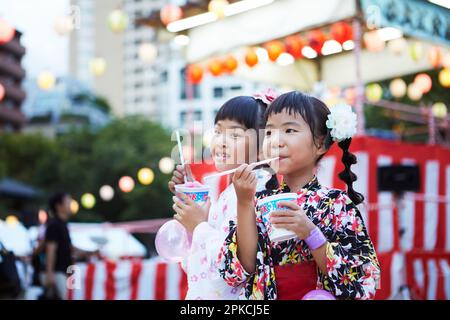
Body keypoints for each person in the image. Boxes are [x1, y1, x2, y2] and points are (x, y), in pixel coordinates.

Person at [218, 91, 381, 300]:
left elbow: (363, 279)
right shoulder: (258, 201)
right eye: (269, 132)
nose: (275, 141)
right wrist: (243, 202)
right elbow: (239, 270)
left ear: (320, 144)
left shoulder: (336, 204)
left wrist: (311, 234)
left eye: (289, 130)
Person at [169, 90, 278, 300]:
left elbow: (233, 269)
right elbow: (194, 264)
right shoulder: (232, 192)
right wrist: (193, 199)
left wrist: (198, 226)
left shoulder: (255, 192)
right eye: (218, 132)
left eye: (235, 135)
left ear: (263, 148)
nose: (221, 142)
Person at [41, 192, 98, 300]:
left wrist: (89, 252)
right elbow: (50, 250)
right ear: (59, 206)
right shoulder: (54, 225)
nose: (70, 205)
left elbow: (69, 247)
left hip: (63, 272)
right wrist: (50, 273)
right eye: (68, 202)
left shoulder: (62, 225)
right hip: (57, 272)